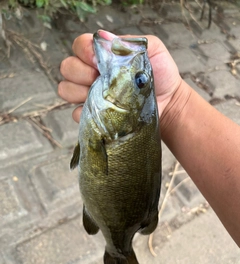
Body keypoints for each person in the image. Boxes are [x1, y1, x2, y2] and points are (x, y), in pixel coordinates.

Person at [58, 30, 240, 247]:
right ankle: (120, 247)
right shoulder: (123, 124)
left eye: (140, 80)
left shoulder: (119, 126)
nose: (139, 75)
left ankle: (118, 250)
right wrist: (174, 100)